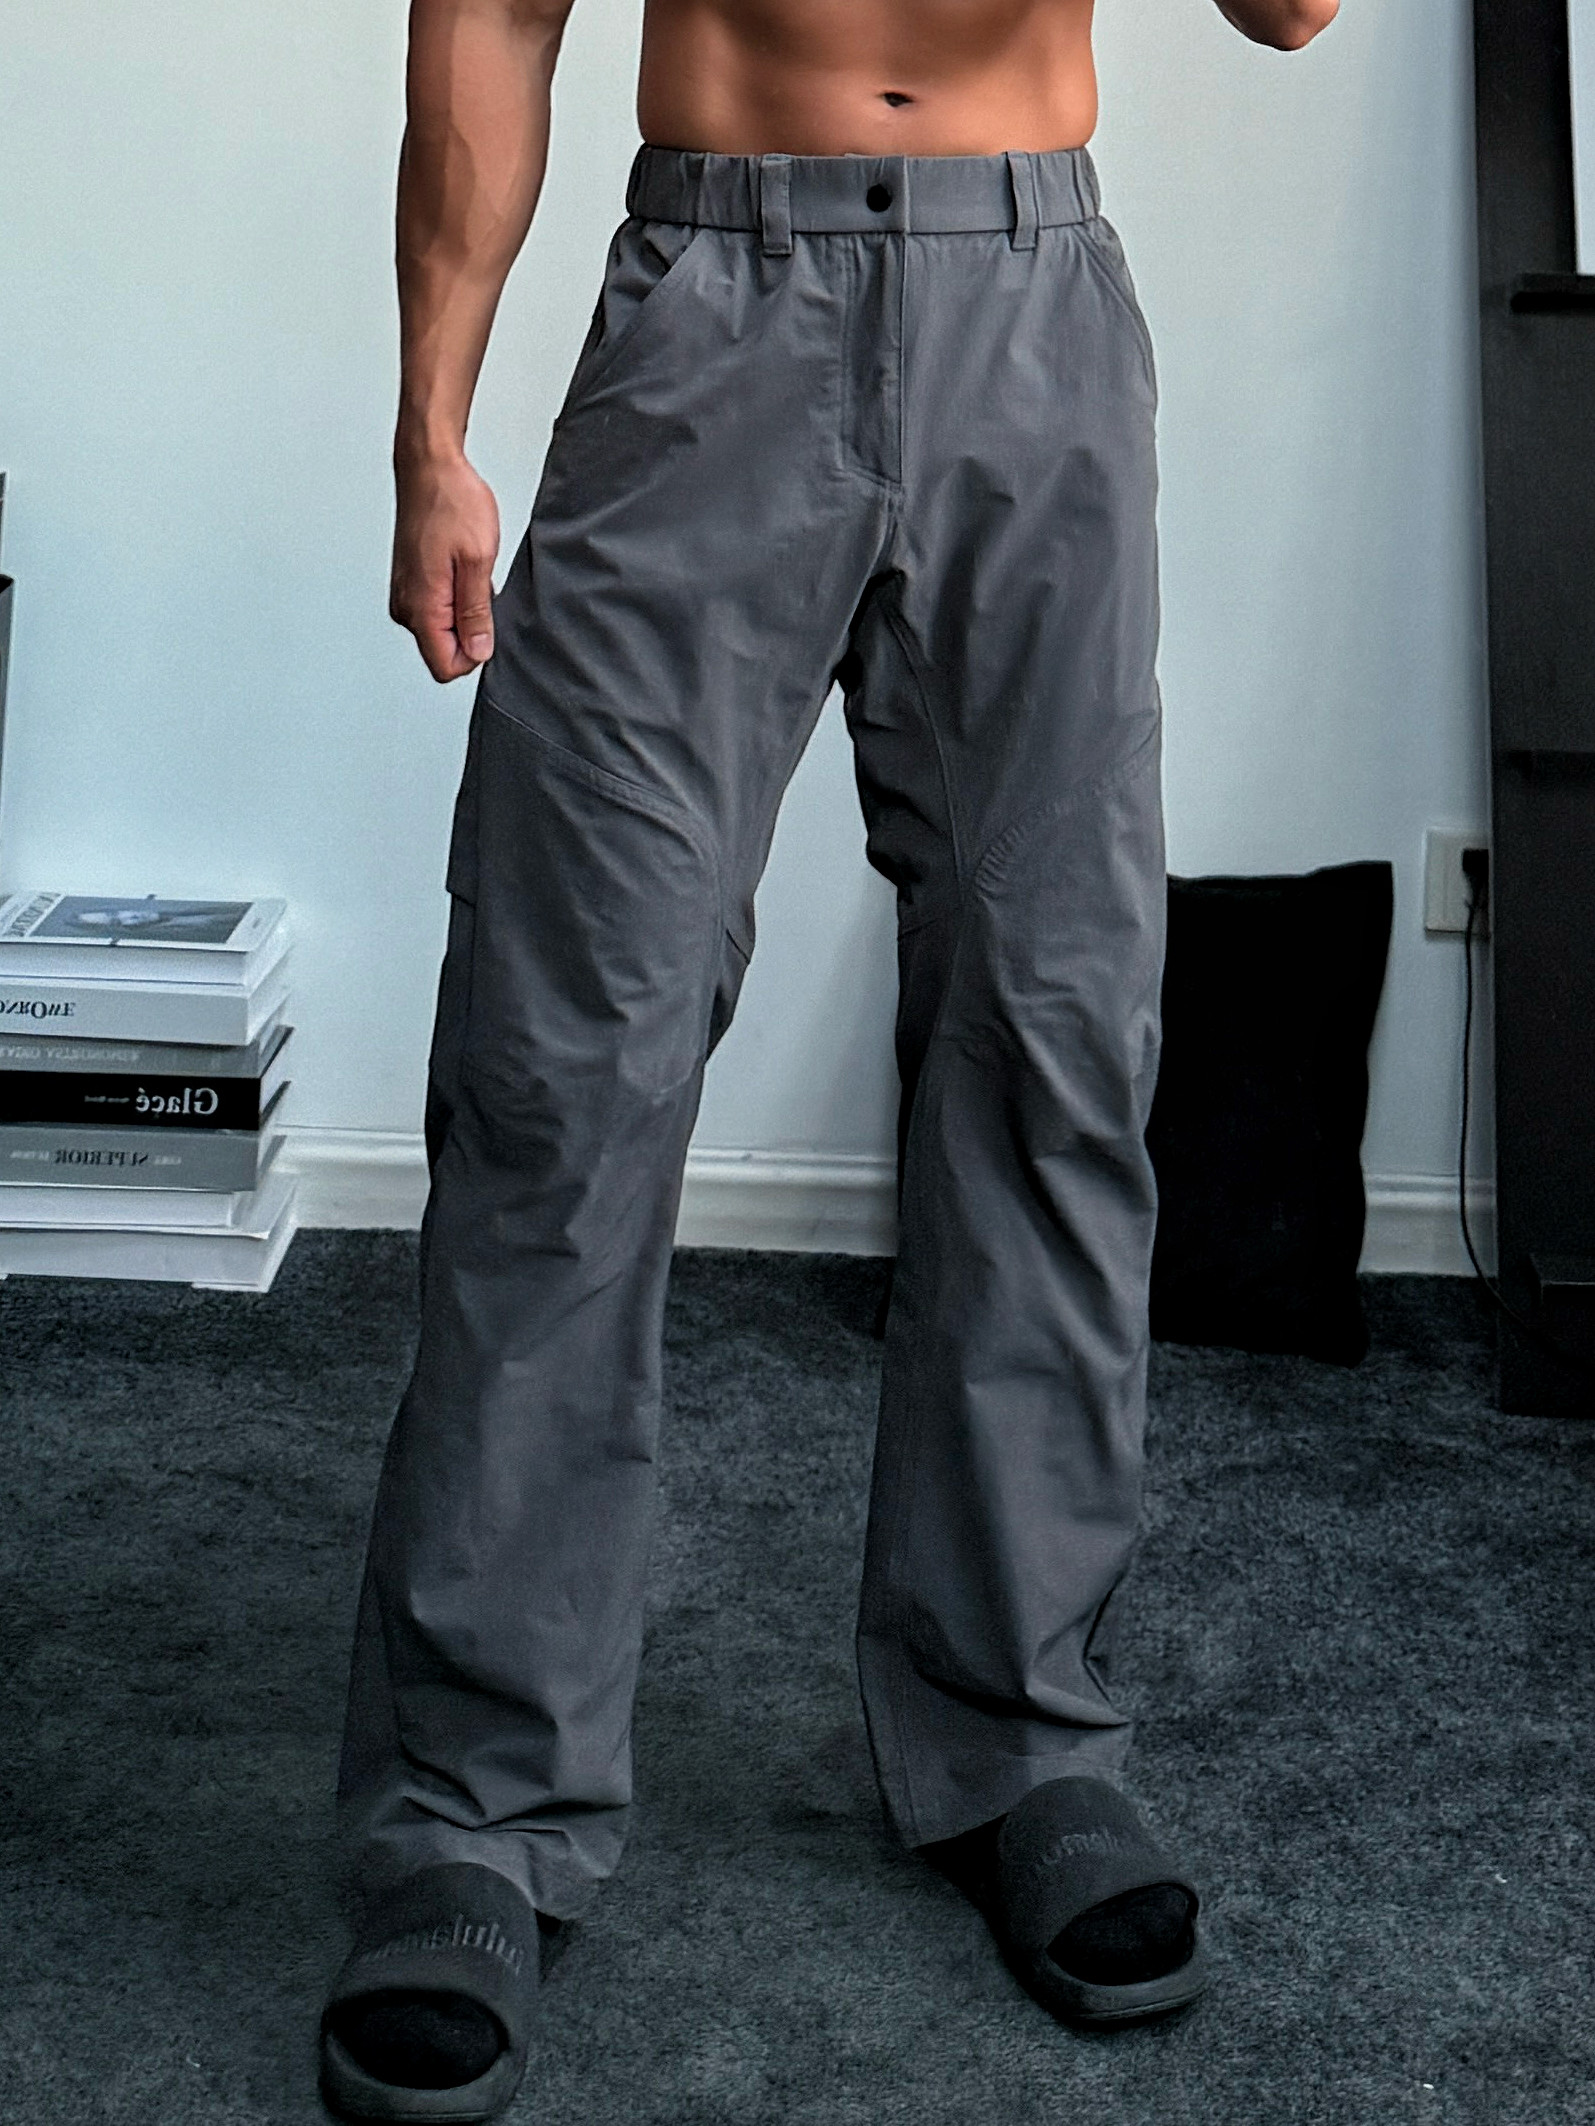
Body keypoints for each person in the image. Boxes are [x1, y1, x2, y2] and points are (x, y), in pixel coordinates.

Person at [318, 0, 1338, 2115]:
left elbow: (1296, 7)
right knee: (563, 1064)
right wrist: (433, 419)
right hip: (714, 297)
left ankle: (1023, 1738)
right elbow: (492, 13)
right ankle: (472, 1811)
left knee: (1049, 1036)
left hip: (1029, 307)